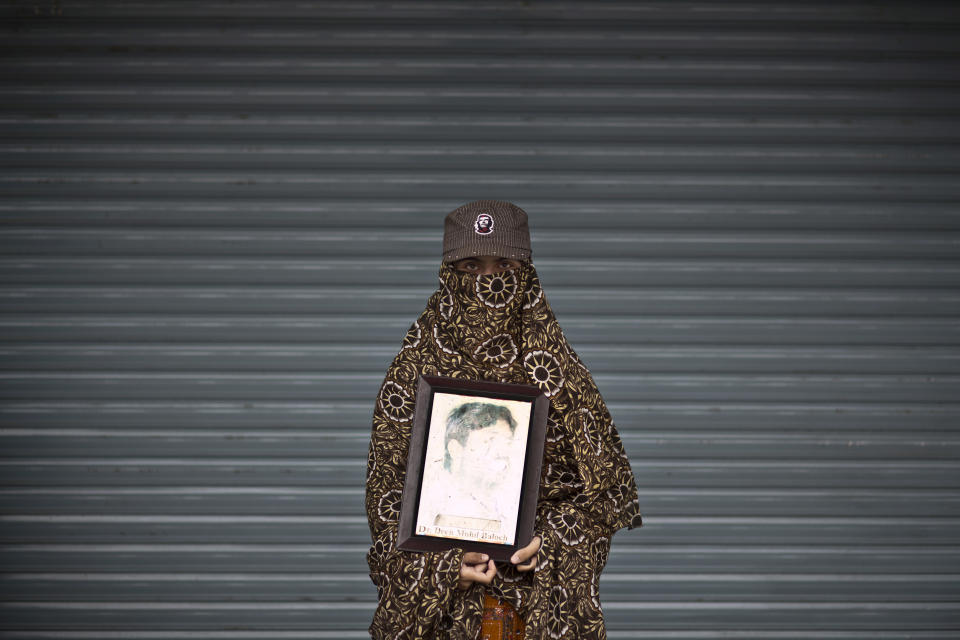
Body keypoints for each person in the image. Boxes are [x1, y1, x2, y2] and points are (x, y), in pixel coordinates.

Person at [365, 200, 643, 640]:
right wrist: (439, 565)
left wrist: (550, 542)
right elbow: (386, 512)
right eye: (471, 265)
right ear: (448, 271)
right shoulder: (412, 373)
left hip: (531, 617)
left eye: (504, 265)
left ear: (526, 272)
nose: (488, 281)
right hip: (441, 623)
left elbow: (602, 499)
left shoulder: (558, 374)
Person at [417, 401, 525, 545]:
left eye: (506, 443)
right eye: (490, 441)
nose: (502, 453)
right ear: (456, 449)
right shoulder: (426, 508)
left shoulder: (513, 511)